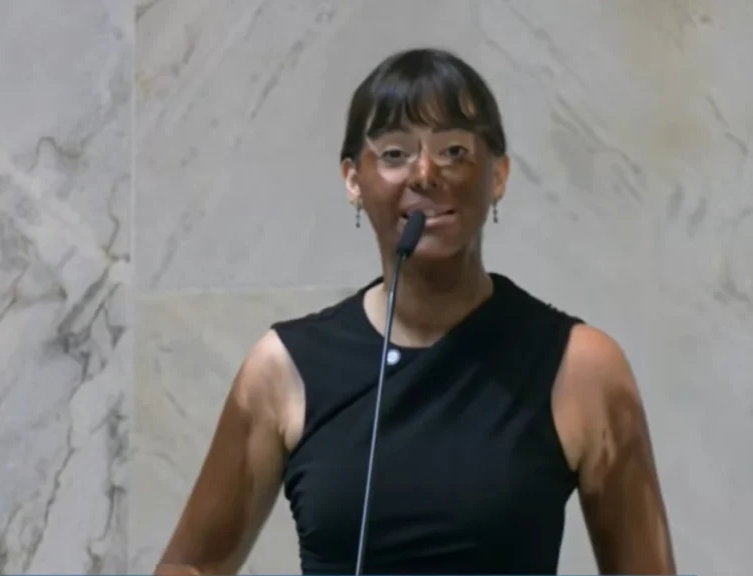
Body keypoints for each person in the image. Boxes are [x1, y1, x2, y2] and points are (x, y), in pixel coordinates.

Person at [155, 48, 676, 575]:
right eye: (394, 153)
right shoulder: (284, 368)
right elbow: (189, 567)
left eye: (454, 151)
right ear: (353, 180)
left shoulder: (581, 367)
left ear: (497, 175)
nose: (425, 173)